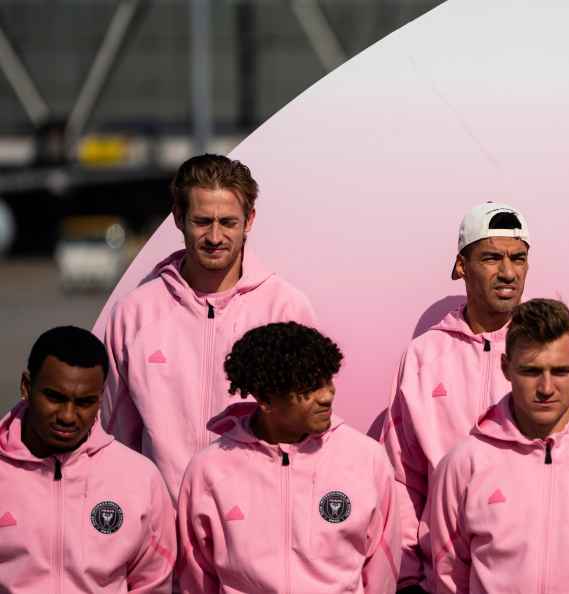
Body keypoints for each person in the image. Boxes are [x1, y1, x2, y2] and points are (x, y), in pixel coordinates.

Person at [381, 202, 569, 592]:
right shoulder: (423, 357)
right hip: (446, 574)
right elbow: (400, 476)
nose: (508, 272)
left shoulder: (566, 355)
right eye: (491, 257)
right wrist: (407, 576)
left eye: (518, 258)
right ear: (461, 265)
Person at [102, 153, 317, 499]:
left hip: (258, 527)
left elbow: (310, 432)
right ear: (178, 218)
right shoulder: (134, 314)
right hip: (163, 532)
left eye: (228, 222)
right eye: (202, 221)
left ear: (249, 221)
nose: (215, 237)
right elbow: (115, 442)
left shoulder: (286, 308)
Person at [423, 299, 569, 594]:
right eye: (531, 371)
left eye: (560, 371)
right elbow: (449, 580)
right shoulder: (463, 465)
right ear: (506, 367)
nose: (546, 388)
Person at [177, 322, 400, 593]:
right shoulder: (208, 470)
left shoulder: (367, 460)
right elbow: (196, 575)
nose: (327, 396)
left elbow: (382, 566)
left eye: (328, 380)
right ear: (266, 400)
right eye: (309, 388)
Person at [0, 326, 175, 593]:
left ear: (100, 399)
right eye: (55, 398)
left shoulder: (139, 478)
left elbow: (154, 583)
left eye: (84, 402)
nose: (68, 416)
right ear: (26, 387)